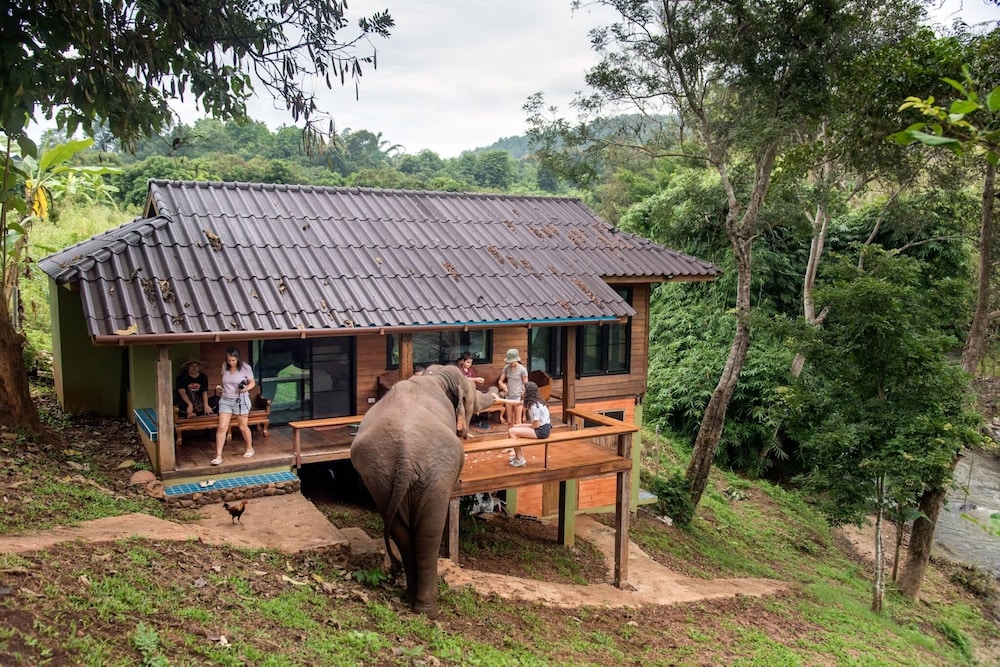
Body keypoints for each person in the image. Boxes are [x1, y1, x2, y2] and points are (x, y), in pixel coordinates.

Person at [211, 347, 256, 465]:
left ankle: (249, 448)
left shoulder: (246, 367)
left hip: (240, 400)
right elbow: (226, 382)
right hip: (225, 400)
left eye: (233, 360)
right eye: (229, 360)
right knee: (222, 427)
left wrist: (246, 388)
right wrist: (220, 388)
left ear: (238, 359)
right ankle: (219, 455)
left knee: (242, 427)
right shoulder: (224, 366)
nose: (231, 362)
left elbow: (252, 383)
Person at [507, 381, 551, 467]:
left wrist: (524, 426)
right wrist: (499, 400)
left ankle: (519, 459)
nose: (521, 391)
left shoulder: (535, 405)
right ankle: (517, 456)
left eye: (523, 390)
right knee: (514, 427)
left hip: (542, 431)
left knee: (512, 431)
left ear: (528, 392)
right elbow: (516, 403)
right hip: (539, 427)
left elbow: (536, 425)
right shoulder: (532, 401)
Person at [497, 348, 528, 437]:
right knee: (509, 421)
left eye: (512, 362)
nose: (511, 364)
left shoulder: (522, 369)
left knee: (517, 421)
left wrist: (523, 394)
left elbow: (526, 384)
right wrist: (503, 386)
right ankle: (510, 443)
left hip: (518, 397)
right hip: (509, 396)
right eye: (509, 362)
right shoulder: (506, 368)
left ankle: (518, 442)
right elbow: (500, 381)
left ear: (517, 359)